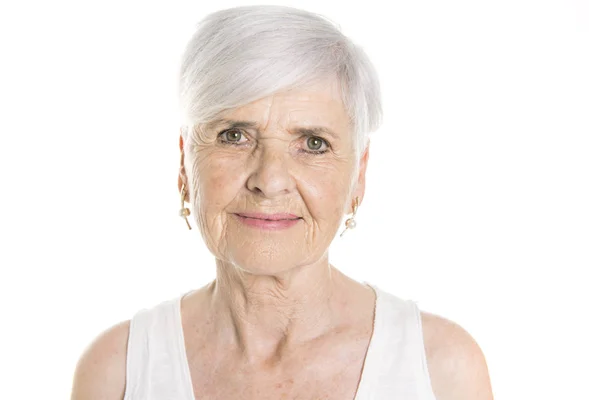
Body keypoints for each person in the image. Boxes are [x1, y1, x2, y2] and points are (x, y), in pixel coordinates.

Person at [70, 5, 493, 400]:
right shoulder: (117, 372)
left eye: (313, 143)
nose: (269, 181)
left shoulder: (442, 370)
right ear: (185, 163)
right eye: (234, 135)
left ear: (358, 174)